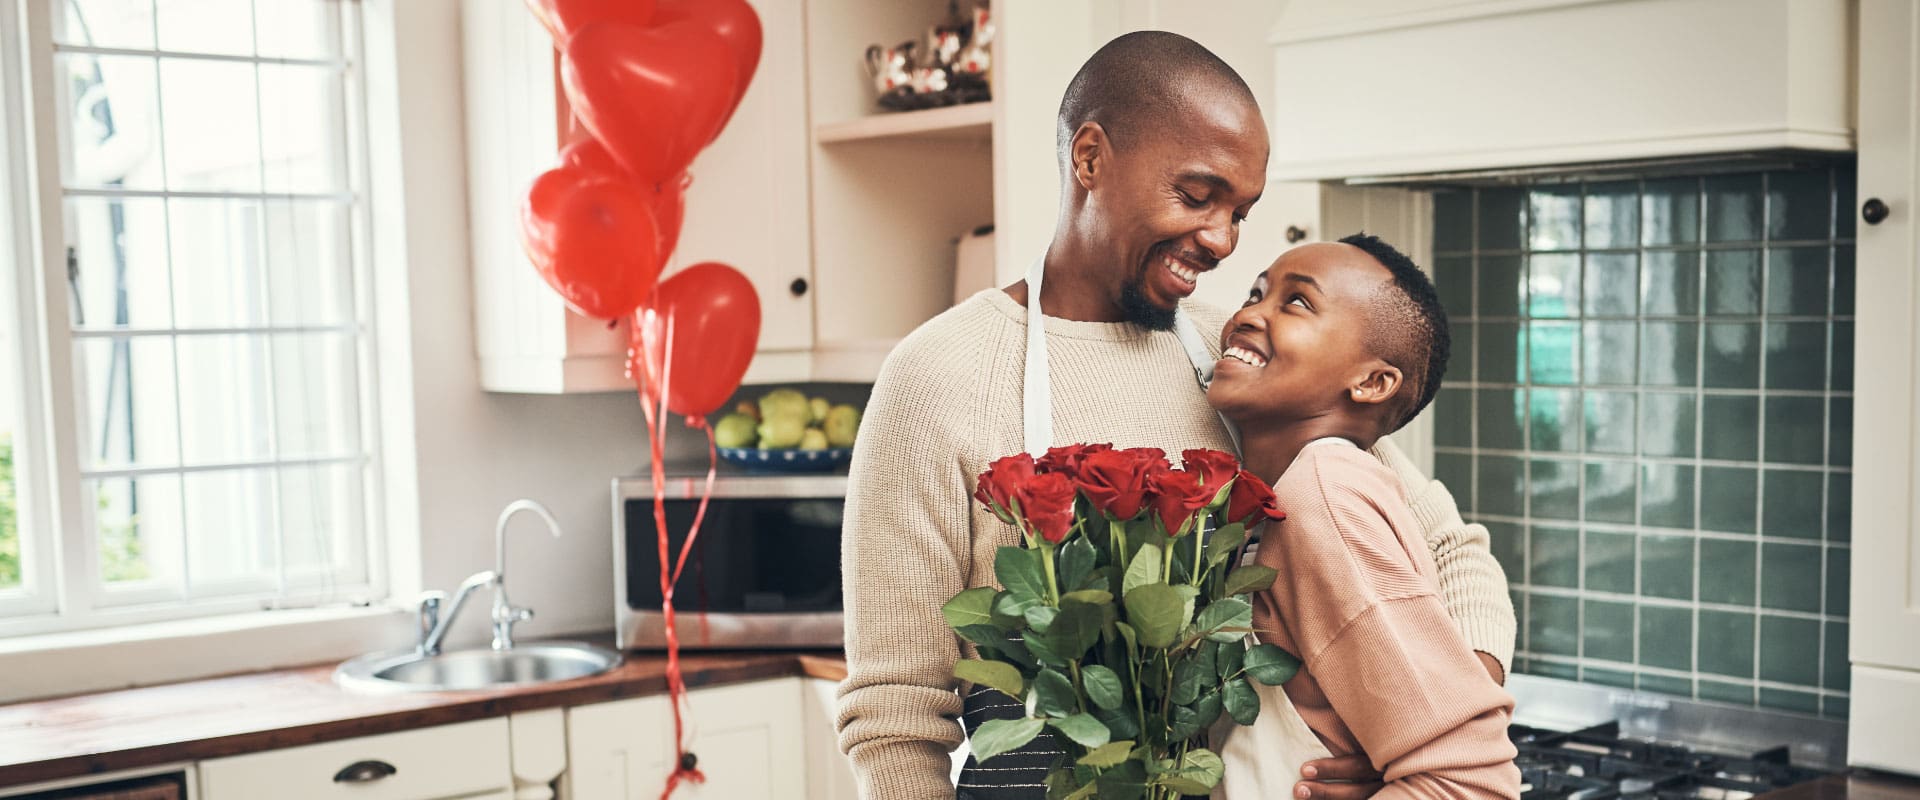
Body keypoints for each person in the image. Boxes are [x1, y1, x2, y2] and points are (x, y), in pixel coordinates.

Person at [836, 31, 1516, 799]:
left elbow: (1451, 549)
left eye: (1240, 212)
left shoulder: (1239, 356)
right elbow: (894, 717)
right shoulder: (939, 376)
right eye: (1197, 196)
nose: (1222, 240)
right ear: (1090, 159)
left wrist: (1403, 720)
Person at [1208, 235, 1521, 800]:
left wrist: (1451, 703)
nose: (1251, 312)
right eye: (1257, 292)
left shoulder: (1325, 492)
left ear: (1373, 384)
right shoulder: (1288, 487)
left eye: (1296, 302)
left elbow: (1466, 778)